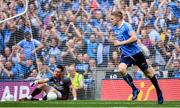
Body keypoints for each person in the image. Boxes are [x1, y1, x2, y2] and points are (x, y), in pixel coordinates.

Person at [110, 11, 164, 104]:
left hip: (136, 54)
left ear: (118, 18)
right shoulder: (114, 28)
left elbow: (134, 38)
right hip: (126, 55)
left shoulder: (127, 26)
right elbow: (121, 39)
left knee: (149, 74)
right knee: (121, 69)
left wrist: (120, 43)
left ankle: (158, 91)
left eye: (112, 19)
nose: (110, 21)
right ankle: (135, 89)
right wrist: (120, 46)